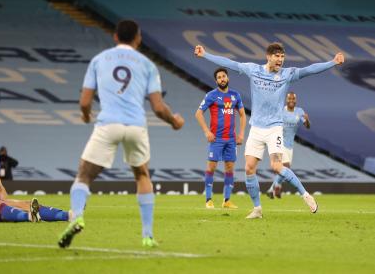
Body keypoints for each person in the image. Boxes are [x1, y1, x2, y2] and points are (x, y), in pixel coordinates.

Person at [58, 20, 184, 248]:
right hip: (136, 126)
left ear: (115, 37)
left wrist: (86, 116)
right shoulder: (147, 64)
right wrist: (174, 121)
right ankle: (147, 236)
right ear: (138, 39)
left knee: (84, 175)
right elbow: (157, 107)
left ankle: (76, 216)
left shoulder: (99, 60)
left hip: (108, 124)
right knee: (141, 174)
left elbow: (85, 101)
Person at [194, 42, 344, 218]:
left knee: (277, 166)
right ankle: (257, 209)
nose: (280, 60)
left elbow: (310, 69)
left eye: (282, 57)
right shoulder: (254, 70)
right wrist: (205, 54)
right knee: (249, 168)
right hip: (256, 128)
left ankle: (306, 195)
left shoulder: (287, 74)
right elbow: (229, 63)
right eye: (277, 56)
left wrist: (333, 62)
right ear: (268, 57)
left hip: (274, 128)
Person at [195, 67, 246, 209]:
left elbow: (242, 115)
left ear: (227, 78)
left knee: (229, 168)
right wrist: (206, 132)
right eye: (219, 77)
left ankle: (227, 200)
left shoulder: (235, 95)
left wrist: (241, 134)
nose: (222, 79)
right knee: (211, 167)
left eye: (224, 76)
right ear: (216, 81)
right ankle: (208, 200)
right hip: (216, 138)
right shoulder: (211, 95)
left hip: (231, 139)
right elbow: (198, 114)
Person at [266, 92, 310, 199]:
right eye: (289, 98)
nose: (291, 100)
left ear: (296, 100)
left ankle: (272, 189)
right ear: (286, 100)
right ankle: (276, 186)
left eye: (293, 99)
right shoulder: (281, 111)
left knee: (285, 168)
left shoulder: (299, 111)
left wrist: (307, 119)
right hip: (279, 142)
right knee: (286, 167)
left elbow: (307, 126)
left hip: (290, 145)